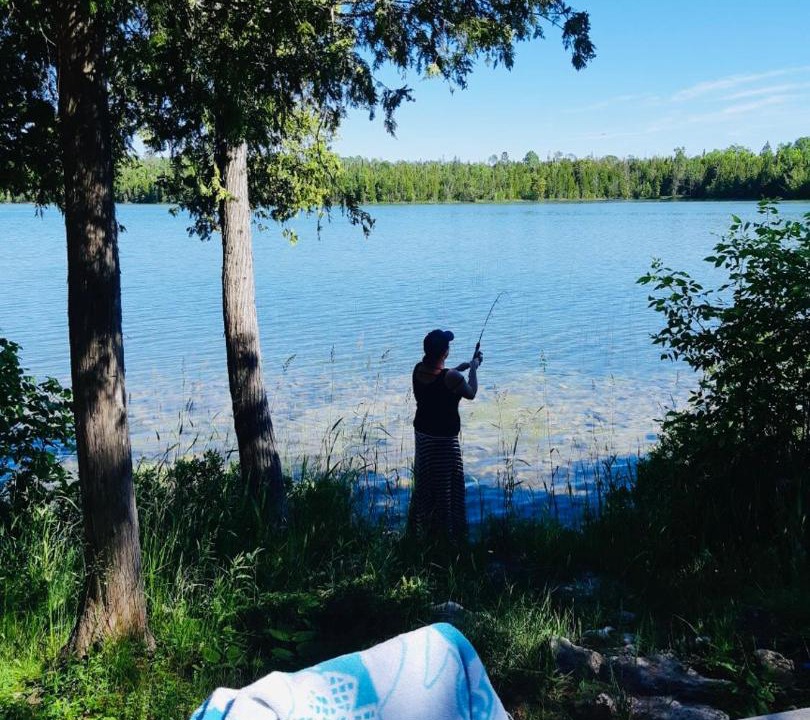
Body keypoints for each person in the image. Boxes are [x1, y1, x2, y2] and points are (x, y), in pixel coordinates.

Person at [408, 328, 482, 545]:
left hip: (422, 438)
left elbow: (442, 377)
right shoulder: (451, 378)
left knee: (425, 485)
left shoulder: (418, 370)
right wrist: (474, 369)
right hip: (444, 443)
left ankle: (422, 532)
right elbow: (471, 393)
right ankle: (449, 539)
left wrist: (462, 367)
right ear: (445, 353)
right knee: (447, 489)